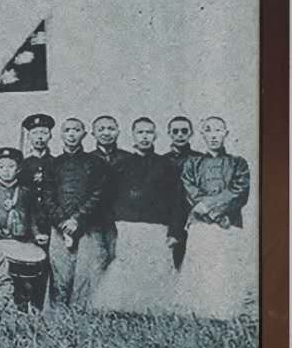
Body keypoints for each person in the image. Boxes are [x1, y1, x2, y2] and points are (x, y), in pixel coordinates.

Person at [92, 117, 182, 314]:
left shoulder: (167, 165)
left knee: (156, 268)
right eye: (140, 132)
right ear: (132, 135)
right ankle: (127, 310)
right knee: (128, 267)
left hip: (158, 227)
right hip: (128, 226)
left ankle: (154, 311)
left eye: (148, 132)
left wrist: (174, 231)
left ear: (155, 135)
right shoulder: (121, 165)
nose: (144, 137)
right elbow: (107, 199)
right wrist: (115, 223)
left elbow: (177, 201)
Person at [174, 116, 253, 319]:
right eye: (208, 130)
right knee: (201, 268)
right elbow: (190, 189)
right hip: (201, 225)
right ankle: (199, 314)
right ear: (202, 135)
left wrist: (214, 211)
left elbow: (239, 191)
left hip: (229, 224)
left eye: (218, 130)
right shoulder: (193, 164)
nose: (213, 135)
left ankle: (225, 314)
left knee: (224, 269)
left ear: (226, 133)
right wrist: (210, 212)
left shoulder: (238, 163)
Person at [42, 117, 112, 309]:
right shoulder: (53, 164)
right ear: (61, 134)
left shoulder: (95, 163)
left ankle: (83, 319)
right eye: (67, 130)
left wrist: (77, 219)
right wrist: (62, 222)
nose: (72, 134)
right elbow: (47, 197)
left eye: (76, 130)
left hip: (88, 228)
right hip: (59, 229)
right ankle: (58, 319)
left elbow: (99, 194)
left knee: (86, 277)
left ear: (84, 133)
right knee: (60, 277)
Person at [0, 147, 45, 309]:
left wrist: (37, 234)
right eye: (2, 167)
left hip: (23, 241)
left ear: (18, 169)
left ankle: (25, 306)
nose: (6, 171)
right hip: (0, 240)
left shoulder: (25, 192)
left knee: (25, 281)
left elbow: (32, 218)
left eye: (10, 166)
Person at [164, 115, 201, 269]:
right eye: (176, 131)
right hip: (168, 221)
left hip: (194, 218)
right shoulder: (162, 161)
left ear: (190, 133)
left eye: (184, 131)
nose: (180, 135)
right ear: (169, 134)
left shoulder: (200, 159)